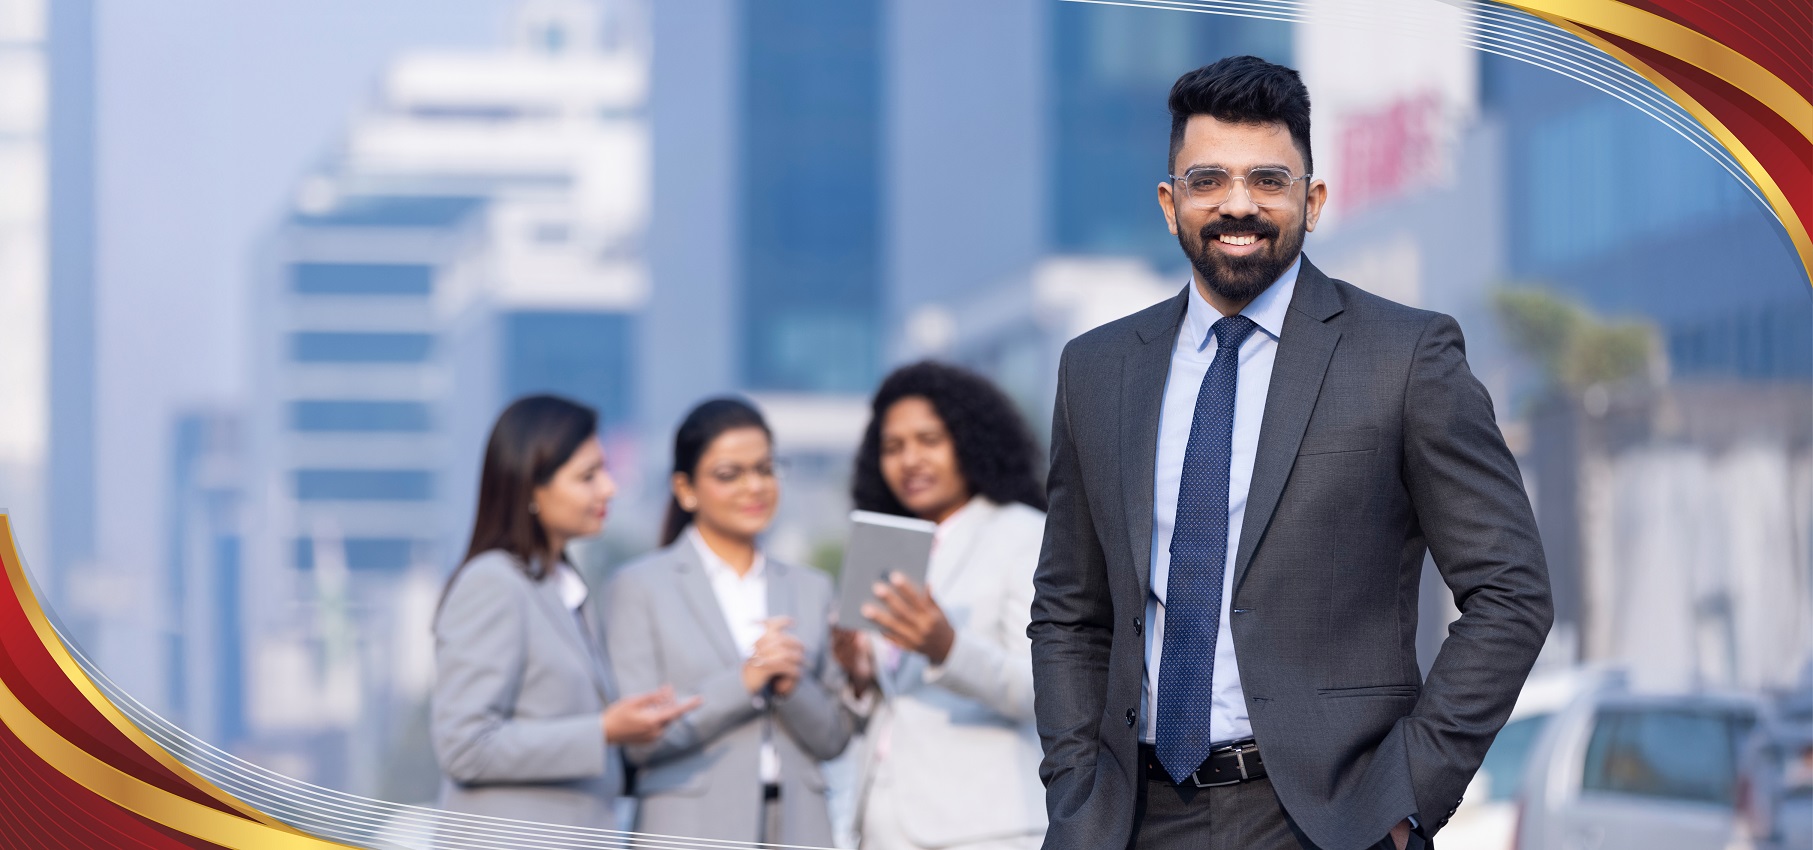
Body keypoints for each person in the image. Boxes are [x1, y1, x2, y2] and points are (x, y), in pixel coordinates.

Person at [1028, 56, 1553, 850]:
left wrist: (1404, 797)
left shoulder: (1404, 356)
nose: (1237, 204)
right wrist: (1075, 786)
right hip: (1132, 819)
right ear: (1171, 205)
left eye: (1267, 180)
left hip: (1327, 820)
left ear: (1312, 201)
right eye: (1207, 180)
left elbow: (1510, 592)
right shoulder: (1098, 370)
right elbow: (1070, 608)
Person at [432, 394, 698, 828]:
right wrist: (603, 731)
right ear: (531, 487)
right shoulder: (493, 583)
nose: (608, 488)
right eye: (588, 476)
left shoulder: (562, 588)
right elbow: (465, 747)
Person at [605, 397, 852, 847]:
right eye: (728, 474)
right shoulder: (640, 586)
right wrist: (746, 680)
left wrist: (791, 685)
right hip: (687, 826)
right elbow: (638, 740)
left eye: (765, 468)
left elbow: (834, 737)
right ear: (685, 489)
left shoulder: (811, 588)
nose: (754, 486)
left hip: (800, 826)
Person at [833, 361, 1050, 850]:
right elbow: (890, 701)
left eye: (929, 440)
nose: (910, 460)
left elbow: (1047, 689)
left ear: (971, 440)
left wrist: (947, 649)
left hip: (983, 830)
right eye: (893, 447)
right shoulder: (883, 547)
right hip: (880, 826)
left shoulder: (1022, 534)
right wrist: (859, 672)